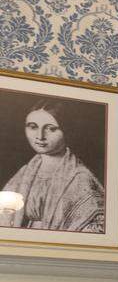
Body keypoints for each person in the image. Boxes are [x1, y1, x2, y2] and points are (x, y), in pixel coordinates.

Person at [0, 100, 105, 233]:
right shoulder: (25, 173)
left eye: (51, 128)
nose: (40, 136)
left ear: (66, 129)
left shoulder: (80, 178)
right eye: (33, 127)